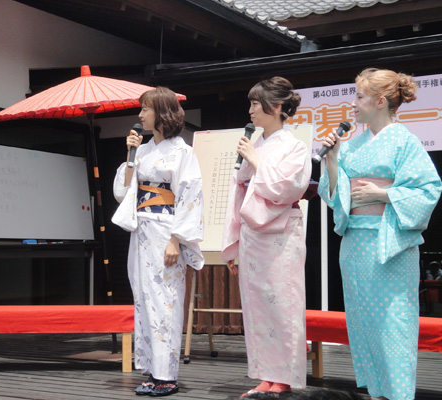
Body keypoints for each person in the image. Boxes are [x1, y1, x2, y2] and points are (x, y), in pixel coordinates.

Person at [317, 68, 442, 400]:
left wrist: (383, 194)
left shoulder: (405, 142)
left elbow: (428, 190)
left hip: (390, 244)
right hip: (355, 244)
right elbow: (335, 195)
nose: (353, 104)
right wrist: (333, 159)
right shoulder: (352, 145)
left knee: (394, 322)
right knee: (363, 321)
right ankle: (376, 392)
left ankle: (398, 394)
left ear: (381, 101)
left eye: (359, 97)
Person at [222, 76, 311, 398]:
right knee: (257, 305)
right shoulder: (256, 144)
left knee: (283, 304)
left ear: (276, 107)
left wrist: (255, 162)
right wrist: (232, 243)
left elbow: (289, 189)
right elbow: (237, 193)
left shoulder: (295, 146)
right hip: (252, 234)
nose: (250, 111)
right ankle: (266, 375)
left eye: (255, 104)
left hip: (281, 234)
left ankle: (283, 378)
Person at [112, 87, 204, 396]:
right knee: (144, 299)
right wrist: (130, 157)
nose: (140, 115)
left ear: (162, 112)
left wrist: (176, 240)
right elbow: (123, 193)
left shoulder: (183, 152)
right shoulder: (142, 150)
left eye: (145, 109)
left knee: (165, 300)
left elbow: (189, 195)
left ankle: (167, 376)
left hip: (166, 230)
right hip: (142, 232)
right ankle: (151, 371)